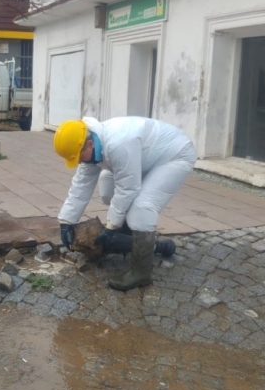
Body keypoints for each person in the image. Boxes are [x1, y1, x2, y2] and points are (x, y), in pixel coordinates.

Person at [54, 117, 197, 291]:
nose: (78, 162)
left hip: (174, 155)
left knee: (142, 207)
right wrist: (66, 222)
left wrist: (111, 228)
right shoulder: (91, 144)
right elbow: (81, 186)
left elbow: (127, 188)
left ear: (89, 143)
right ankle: (131, 234)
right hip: (144, 156)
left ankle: (140, 272)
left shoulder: (118, 144)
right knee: (107, 188)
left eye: (77, 157)